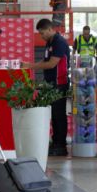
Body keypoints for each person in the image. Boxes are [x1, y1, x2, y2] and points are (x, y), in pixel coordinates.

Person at [23, 19, 70, 157]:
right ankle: (56, 142)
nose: (41, 36)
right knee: (54, 115)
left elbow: (51, 64)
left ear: (50, 29)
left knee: (59, 115)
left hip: (59, 84)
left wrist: (30, 66)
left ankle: (61, 145)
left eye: (43, 33)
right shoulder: (49, 42)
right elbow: (44, 60)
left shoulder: (59, 42)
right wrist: (29, 64)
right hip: (50, 84)